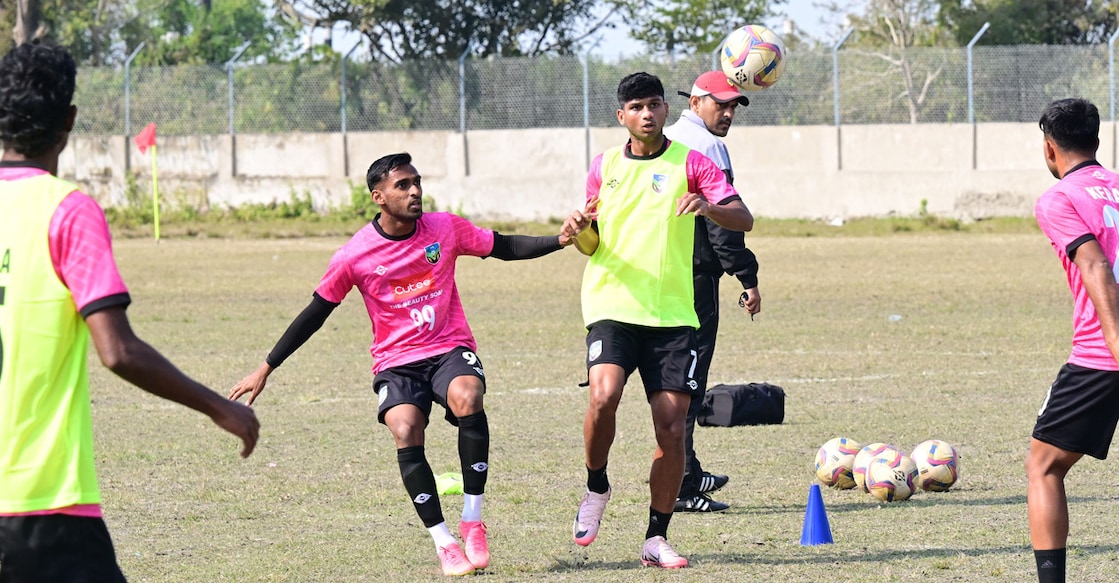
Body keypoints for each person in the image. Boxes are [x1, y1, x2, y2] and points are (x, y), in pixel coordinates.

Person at [229, 152, 573, 577]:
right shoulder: (354, 255)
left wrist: (559, 240)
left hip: (448, 348)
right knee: (406, 428)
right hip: (396, 362)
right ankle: (445, 542)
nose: (415, 192)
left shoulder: (444, 228)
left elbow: (502, 246)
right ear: (378, 197)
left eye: (416, 183)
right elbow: (316, 312)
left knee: (468, 396)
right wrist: (266, 366)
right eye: (402, 186)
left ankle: (472, 519)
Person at [0, 42, 261, 582]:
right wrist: (221, 407)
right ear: (69, 119)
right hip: (40, 503)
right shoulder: (66, 211)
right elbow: (117, 351)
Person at [560, 72, 753, 568]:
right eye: (637, 107)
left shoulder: (691, 162)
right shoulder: (604, 166)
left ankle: (655, 536)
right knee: (603, 397)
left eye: (655, 105)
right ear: (622, 116)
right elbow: (592, 243)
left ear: (667, 110)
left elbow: (743, 217)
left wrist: (709, 207)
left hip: (671, 316)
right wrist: (578, 231)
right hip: (612, 306)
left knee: (670, 428)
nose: (648, 114)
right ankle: (596, 486)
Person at [663, 70, 762, 513]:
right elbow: (721, 224)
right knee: (689, 380)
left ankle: (688, 466)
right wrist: (747, 277)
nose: (727, 114)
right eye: (719, 104)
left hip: (663, 277)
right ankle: (682, 485)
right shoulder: (708, 146)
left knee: (678, 377)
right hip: (694, 281)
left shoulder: (668, 138)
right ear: (696, 100)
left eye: (734, 106)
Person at [1030, 97, 1119, 583]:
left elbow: (1094, 264)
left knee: (1043, 465)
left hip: (1101, 356)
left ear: (1049, 148)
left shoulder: (1059, 198)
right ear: (1097, 140)